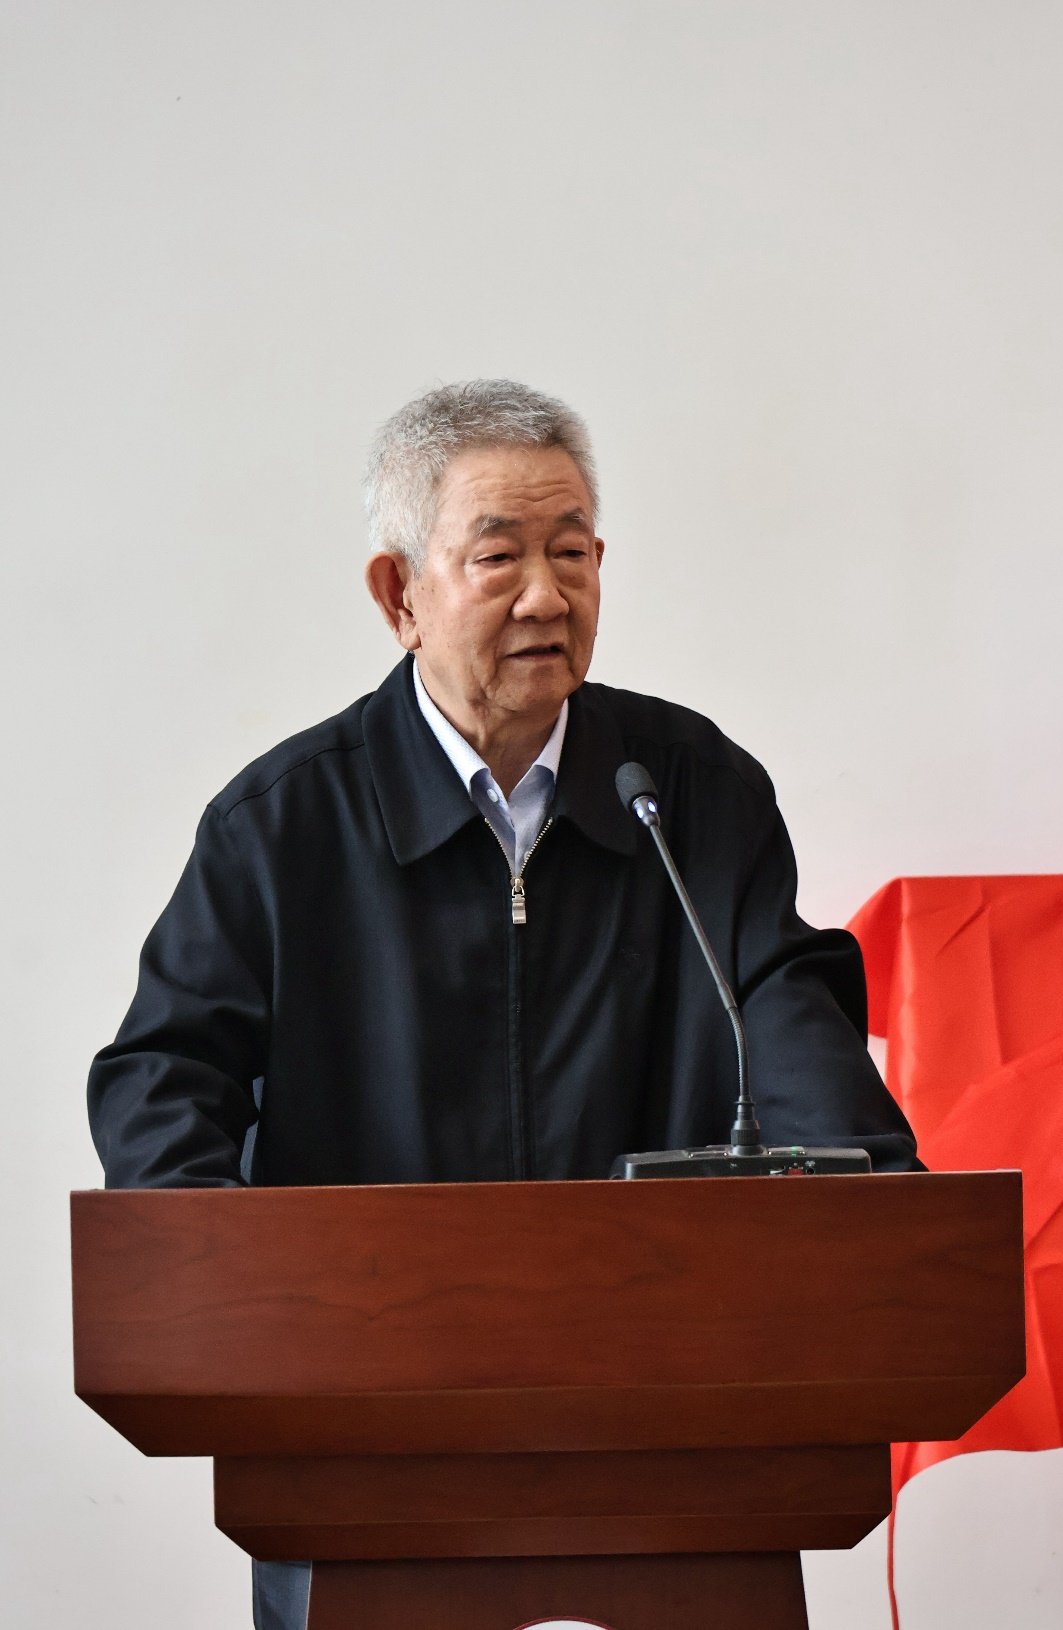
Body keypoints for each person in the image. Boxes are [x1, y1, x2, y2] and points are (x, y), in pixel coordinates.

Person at [88, 379, 919, 1628]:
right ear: (398, 594)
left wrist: (875, 1216)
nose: (546, 594)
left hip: (670, 1423)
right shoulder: (282, 826)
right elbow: (165, 1077)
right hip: (363, 1435)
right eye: (499, 556)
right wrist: (227, 1290)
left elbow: (785, 1014)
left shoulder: (690, 795)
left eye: (571, 552)